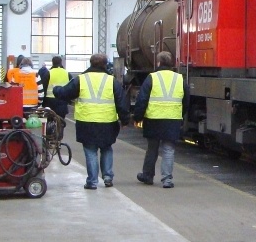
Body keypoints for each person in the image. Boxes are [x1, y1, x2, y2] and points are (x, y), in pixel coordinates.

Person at [54, 53, 129, 190]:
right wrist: (124, 120)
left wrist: (55, 89)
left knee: (90, 150)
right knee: (106, 148)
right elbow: (121, 102)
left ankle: (92, 181)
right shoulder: (111, 81)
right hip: (108, 122)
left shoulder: (81, 80)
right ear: (106, 64)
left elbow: (65, 93)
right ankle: (107, 177)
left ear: (90, 63)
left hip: (86, 121)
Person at [134, 51, 189, 189]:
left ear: (158, 63)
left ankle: (147, 176)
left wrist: (137, 117)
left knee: (152, 148)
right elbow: (186, 100)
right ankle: (167, 179)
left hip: (154, 118)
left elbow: (142, 100)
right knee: (169, 149)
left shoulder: (152, 78)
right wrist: (180, 114)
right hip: (172, 119)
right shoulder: (179, 79)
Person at [41, 56, 69, 138]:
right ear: (61, 62)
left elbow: (43, 87)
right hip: (62, 101)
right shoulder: (67, 73)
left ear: (52, 62)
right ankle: (59, 139)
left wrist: (42, 101)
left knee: (49, 120)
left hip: (50, 101)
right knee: (60, 121)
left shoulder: (48, 73)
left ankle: (49, 138)